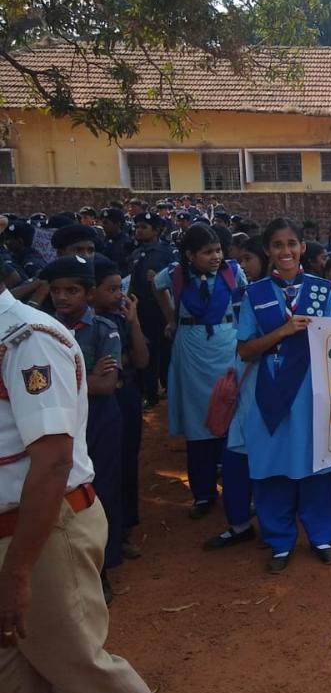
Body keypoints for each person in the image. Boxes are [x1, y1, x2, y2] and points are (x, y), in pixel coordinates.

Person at [0, 268, 179, 693]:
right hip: (18, 530)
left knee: (78, 664)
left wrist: (18, 569)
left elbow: (54, 461)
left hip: (41, 530)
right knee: (14, 675)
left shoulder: (28, 339)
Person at [237, 218, 331, 573]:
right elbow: (245, 350)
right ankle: (279, 541)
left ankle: (321, 535)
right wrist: (282, 331)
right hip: (269, 393)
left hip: (310, 391)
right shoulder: (255, 294)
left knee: (315, 463)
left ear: (303, 247)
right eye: (278, 245)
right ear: (268, 249)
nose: (286, 251)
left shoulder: (322, 290)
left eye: (292, 244)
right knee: (271, 465)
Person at [41, 255, 124, 600]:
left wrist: (63, 380)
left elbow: (107, 385)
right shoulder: (43, 331)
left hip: (101, 421)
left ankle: (101, 571)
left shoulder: (105, 329)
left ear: (88, 293)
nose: (63, 297)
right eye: (57, 290)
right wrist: (84, 378)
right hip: (61, 423)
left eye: (72, 290)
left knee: (100, 493)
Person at [154, 224, 247, 522]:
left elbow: (243, 301)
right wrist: (170, 319)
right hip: (192, 347)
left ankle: (237, 489)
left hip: (227, 344)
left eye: (218, 249)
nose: (215, 256)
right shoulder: (175, 274)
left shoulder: (233, 271)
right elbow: (156, 286)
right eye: (207, 252)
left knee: (232, 417)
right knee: (198, 424)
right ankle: (204, 493)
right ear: (190, 254)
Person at [93, 258, 150, 559]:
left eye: (120, 288)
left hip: (125, 394)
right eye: (111, 289)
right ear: (92, 291)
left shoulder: (121, 320)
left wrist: (135, 321)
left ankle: (123, 529)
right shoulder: (83, 326)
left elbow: (140, 360)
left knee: (126, 460)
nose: (118, 295)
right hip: (99, 400)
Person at [130, 212, 177, 408]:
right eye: (137, 227)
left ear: (157, 230)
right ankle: (150, 392)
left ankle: (170, 389)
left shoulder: (167, 253)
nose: (139, 231)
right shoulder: (135, 253)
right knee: (146, 350)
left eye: (144, 227)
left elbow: (177, 281)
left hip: (162, 310)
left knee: (166, 351)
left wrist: (158, 278)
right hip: (142, 309)